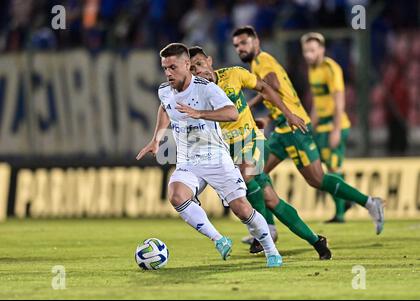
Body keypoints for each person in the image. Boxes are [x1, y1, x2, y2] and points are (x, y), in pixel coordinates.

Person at [136, 43, 282, 267]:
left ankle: (271, 251)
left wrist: (199, 113)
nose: (168, 72)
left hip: (215, 157)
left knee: (242, 209)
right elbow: (165, 107)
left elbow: (232, 113)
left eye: (173, 67)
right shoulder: (164, 90)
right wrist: (157, 138)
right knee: (176, 195)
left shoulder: (206, 88)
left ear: (187, 64)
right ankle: (219, 239)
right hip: (188, 161)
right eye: (165, 68)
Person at [231, 26, 385, 235]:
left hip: (294, 128)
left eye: (244, 43)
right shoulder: (260, 63)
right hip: (283, 128)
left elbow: (272, 86)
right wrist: (268, 116)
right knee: (255, 172)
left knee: (317, 179)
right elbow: (279, 93)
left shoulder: (262, 61)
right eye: (236, 46)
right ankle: (266, 231)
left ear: (256, 41)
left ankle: (369, 202)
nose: (240, 48)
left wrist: (250, 104)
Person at [188, 45, 332, 260]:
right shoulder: (195, 95)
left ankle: (263, 235)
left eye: (199, 64)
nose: (198, 71)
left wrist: (289, 114)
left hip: (251, 140)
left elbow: (265, 88)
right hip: (228, 150)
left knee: (244, 179)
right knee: (271, 200)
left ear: (209, 61)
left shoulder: (234, 74)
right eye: (192, 69)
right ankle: (316, 240)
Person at [301, 32, 353, 223]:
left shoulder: (331, 68)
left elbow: (339, 101)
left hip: (334, 125)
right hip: (321, 126)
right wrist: (310, 126)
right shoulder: (312, 69)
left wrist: (336, 130)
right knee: (321, 173)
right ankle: (346, 199)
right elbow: (317, 101)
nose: (308, 54)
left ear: (321, 50)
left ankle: (340, 213)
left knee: (332, 167)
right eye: (306, 50)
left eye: (312, 50)